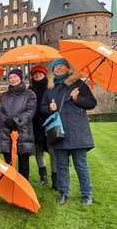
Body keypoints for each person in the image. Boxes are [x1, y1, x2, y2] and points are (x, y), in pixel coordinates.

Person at [40, 58, 97, 206]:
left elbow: (92, 103)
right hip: (58, 132)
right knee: (61, 166)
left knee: (81, 165)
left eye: (61, 66)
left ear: (67, 69)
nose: (58, 68)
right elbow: (42, 108)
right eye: (56, 67)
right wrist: (49, 108)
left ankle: (87, 194)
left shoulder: (79, 84)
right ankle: (63, 192)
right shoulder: (50, 89)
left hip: (77, 131)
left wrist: (78, 99)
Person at [0, 69, 36, 180]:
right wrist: (5, 120)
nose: (13, 79)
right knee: (8, 162)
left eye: (15, 77)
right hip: (6, 131)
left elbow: (30, 111)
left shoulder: (30, 94)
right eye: (10, 78)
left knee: (23, 162)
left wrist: (16, 121)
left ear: (20, 78)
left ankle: (22, 186)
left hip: (22, 131)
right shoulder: (4, 96)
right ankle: (9, 184)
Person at [29, 65, 57, 190]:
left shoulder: (51, 87)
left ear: (45, 74)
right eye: (35, 74)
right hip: (35, 124)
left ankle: (55, 180)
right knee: (38, 151)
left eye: (40, 73)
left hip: (49, 122)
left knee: (52, 151)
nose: (37, 75)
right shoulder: (30, 89)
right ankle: (43, 176)